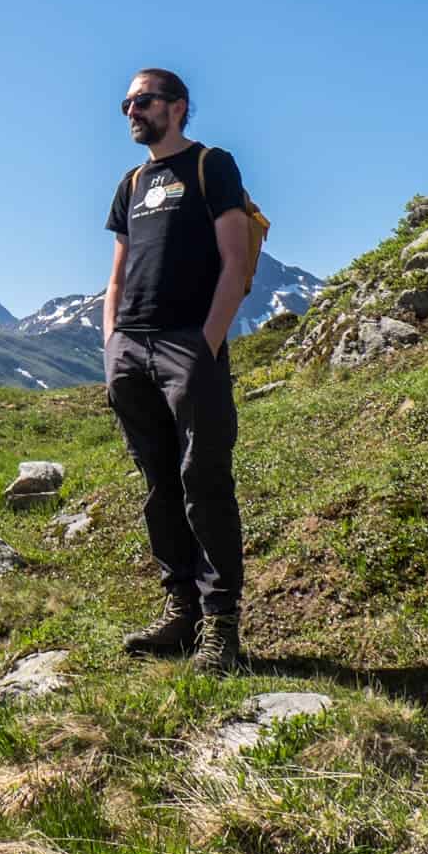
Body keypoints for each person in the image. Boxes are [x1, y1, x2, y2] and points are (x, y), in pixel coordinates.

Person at [102, 67, 253, 674]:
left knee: (204, 482)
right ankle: (181, 611)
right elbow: (117, 272)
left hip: (187, 349)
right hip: (131, 351)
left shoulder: (211, 166)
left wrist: (205, 345)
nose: (131, 111)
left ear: (178, 106)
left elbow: (235, 261)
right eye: (126, 103)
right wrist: (112, 344)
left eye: (142, 101)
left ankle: (222, 627)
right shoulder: (132, 182)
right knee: (160, 485)